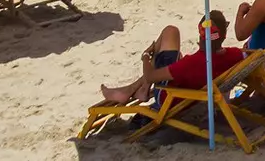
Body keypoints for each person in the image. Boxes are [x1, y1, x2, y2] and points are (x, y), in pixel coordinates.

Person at [97, 10, 247, 105]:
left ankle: (135, 89)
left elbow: (150, 76)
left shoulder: (191, 63)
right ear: (224, 35)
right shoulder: (235, 55)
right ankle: (138, 88)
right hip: (196, 88)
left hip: (170, 96)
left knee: (170, 31)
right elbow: (251, 53)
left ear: (200, 36)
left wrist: (145, 57)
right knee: (172, 39)